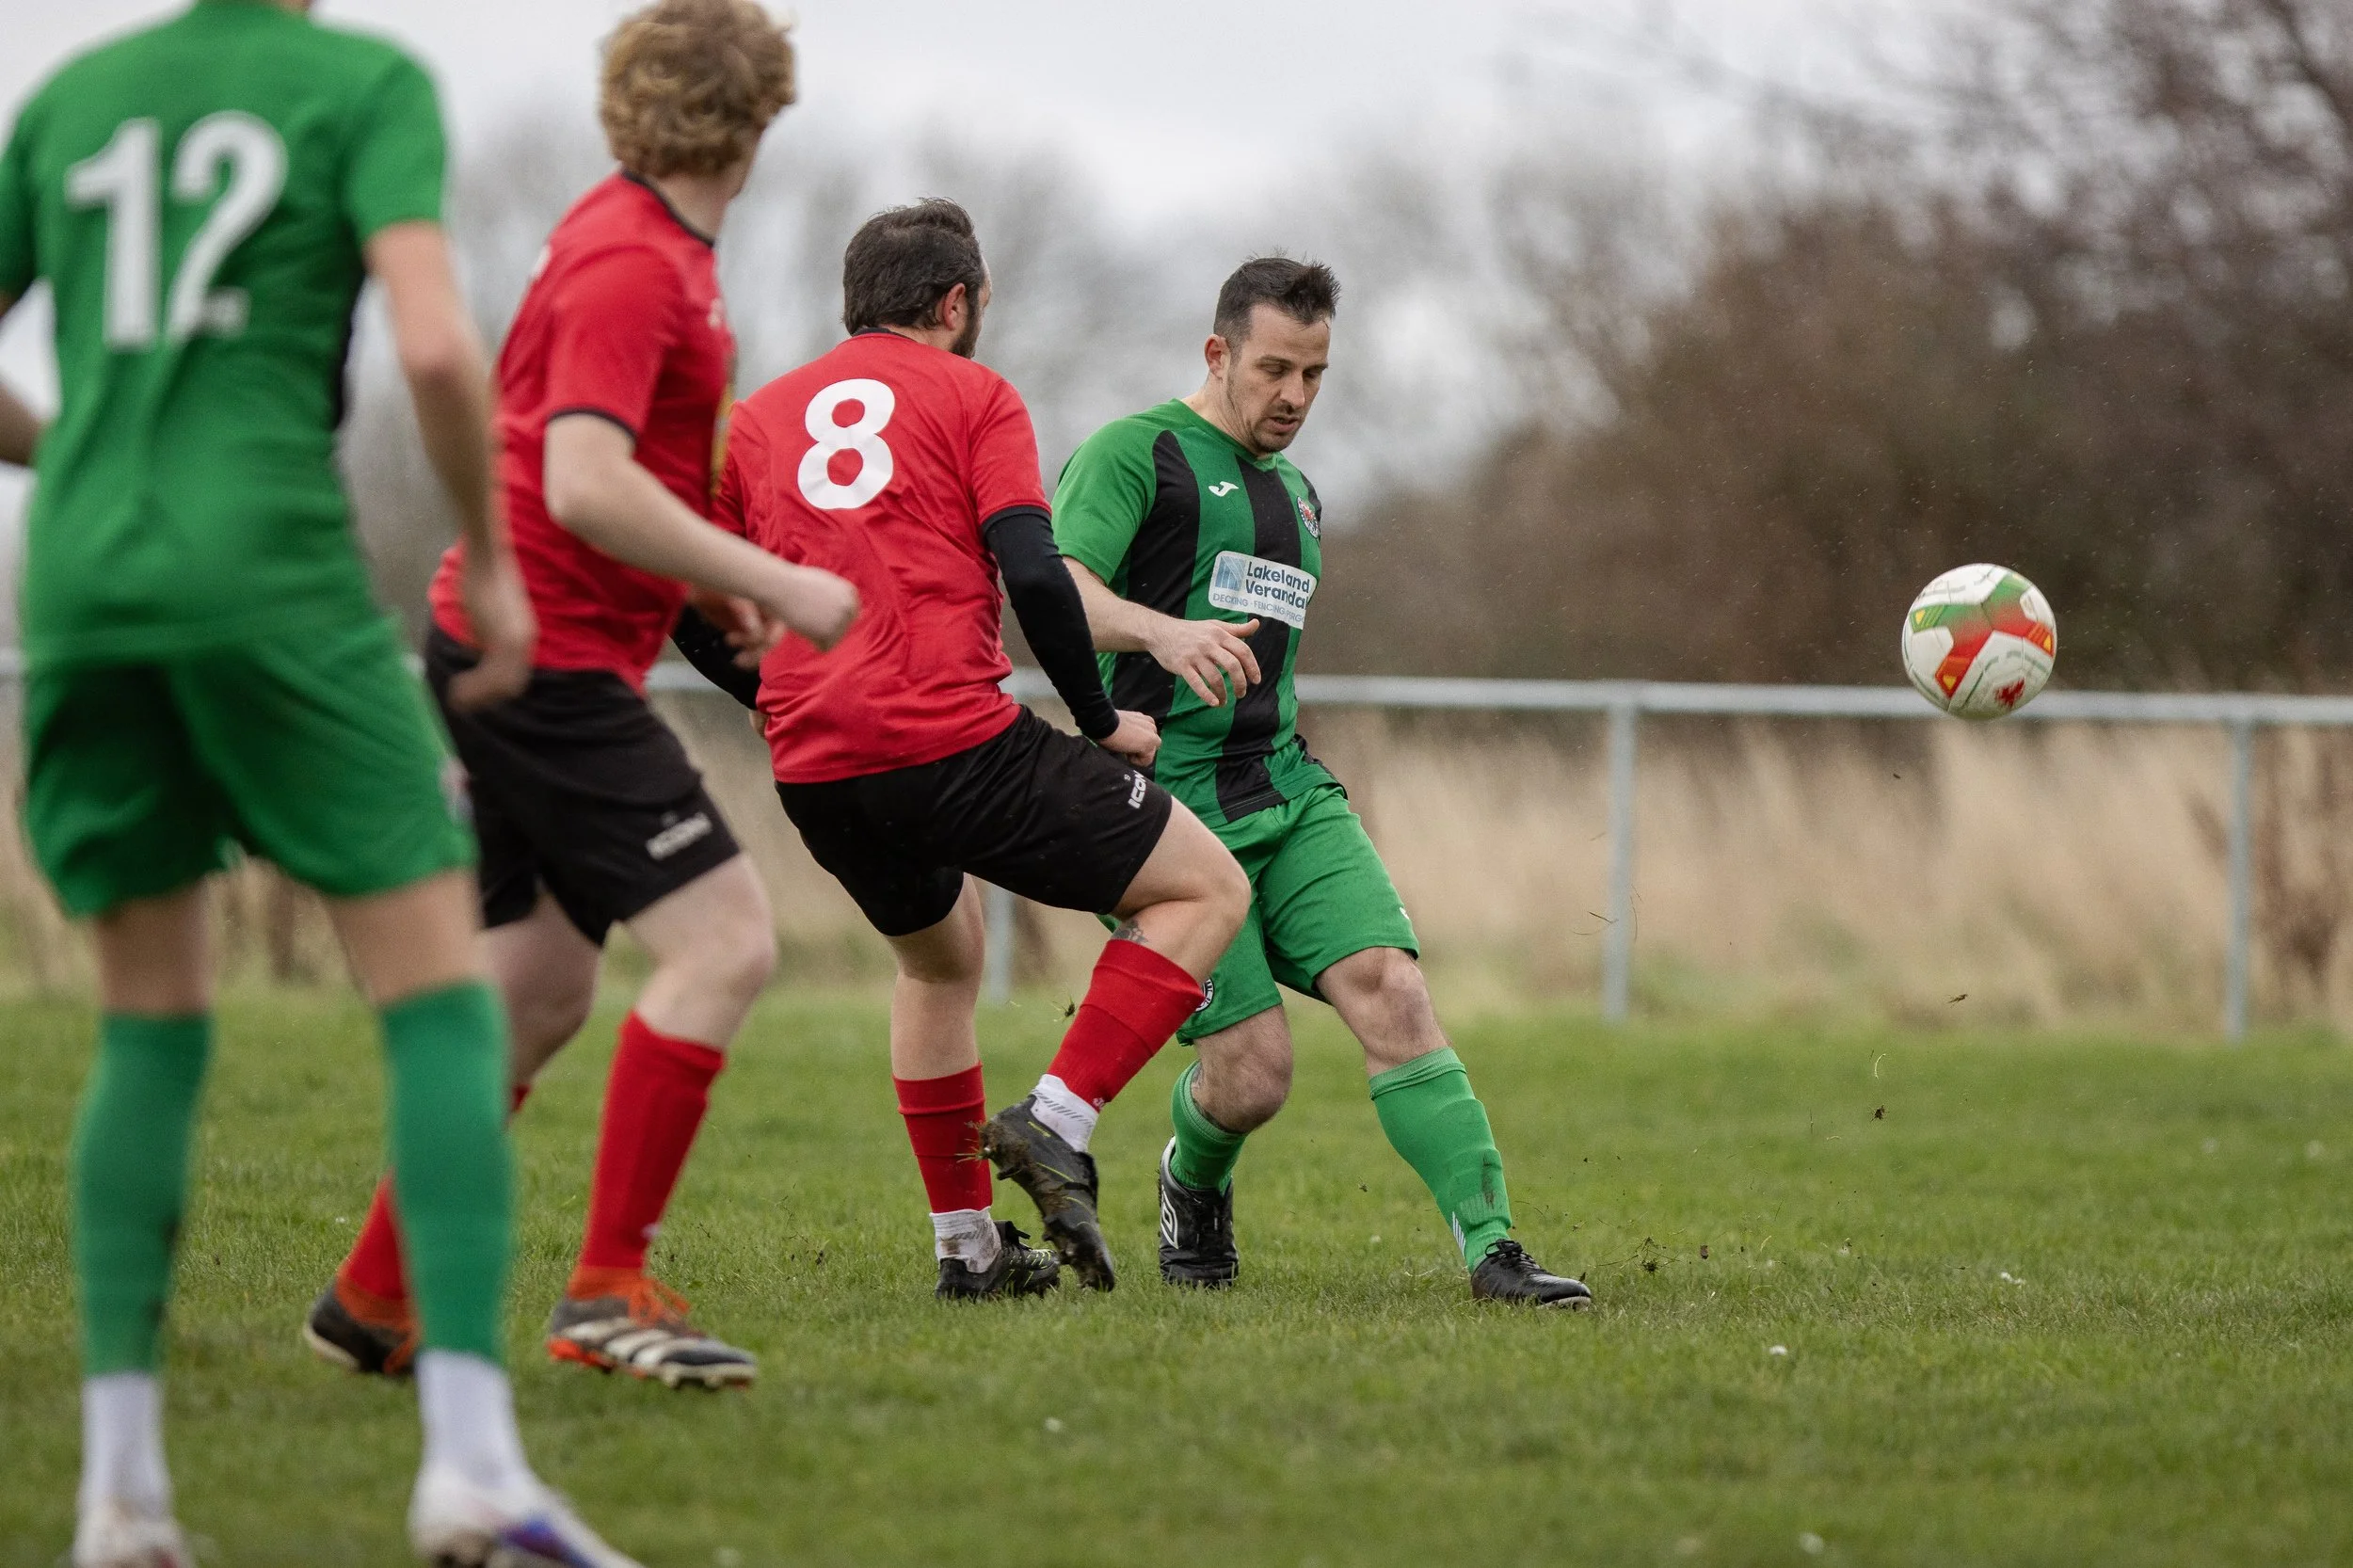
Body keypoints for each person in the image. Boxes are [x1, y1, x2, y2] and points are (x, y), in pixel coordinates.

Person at [0, 1, 645, 1562]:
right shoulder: (358, 83)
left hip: (82, 586)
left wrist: (80, 450)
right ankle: (474, 1465)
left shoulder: (76, 91)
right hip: (269, 572)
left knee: (149, 1021)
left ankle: (121, 1498)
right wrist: (490, 562)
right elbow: (432, 340)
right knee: (436, 997)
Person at [304, 0, 855, 1393]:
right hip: (538, 662)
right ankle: (609, 1286)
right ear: (756, 118)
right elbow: (582, 482)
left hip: (546, 647)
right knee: (724, 943)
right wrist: (774, 582)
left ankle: (375, 1293)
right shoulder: (632, 262)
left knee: (539, 989)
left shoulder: (657, 247)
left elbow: (607, 477)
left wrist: (694, 588)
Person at [710, 199, 1251, 1298]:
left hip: (817, 769)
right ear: (957, 304)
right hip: (949, 741)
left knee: (939, 957)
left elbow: (685, 594)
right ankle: (1055, 1121)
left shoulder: (761, 418)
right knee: (1203, 890)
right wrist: (1101, 724)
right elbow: (1036, 572)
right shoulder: (975, 393)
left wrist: (767, 697)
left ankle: (969, 1251)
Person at [1052, 257, 1593, 1307]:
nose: (1294, 396)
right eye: (1273, 369)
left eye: (1314, 373)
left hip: (1289, 794)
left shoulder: (1297, 492)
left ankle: (1494, 1248)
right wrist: (1160, 633)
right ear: (1217, 355)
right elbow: (1056, 592)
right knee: (1254, 1076)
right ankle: (1188, 1180)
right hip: (1166, 818)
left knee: (1393, 989)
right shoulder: (1136, 452)